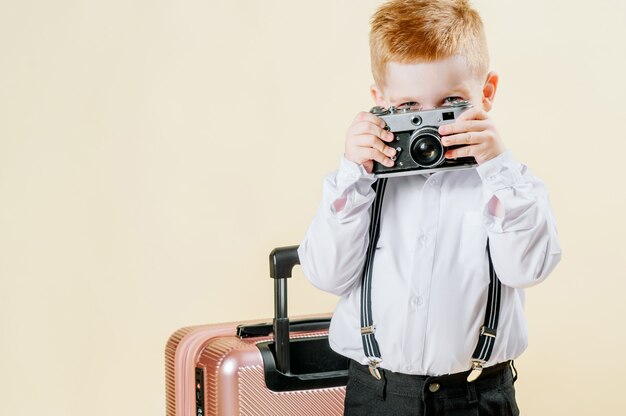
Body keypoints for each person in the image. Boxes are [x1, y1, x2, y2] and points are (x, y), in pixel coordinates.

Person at [297, 0, 562, 415]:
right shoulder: (362, 186)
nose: (428, 128)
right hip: (378, 394)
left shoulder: (509, 185)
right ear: (378, 102)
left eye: (450, 102)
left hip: (478, 396)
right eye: (408, 110)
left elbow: (526, 269)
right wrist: (353, 173)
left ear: (486, 93)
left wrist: (498, 169)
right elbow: (326, 274)